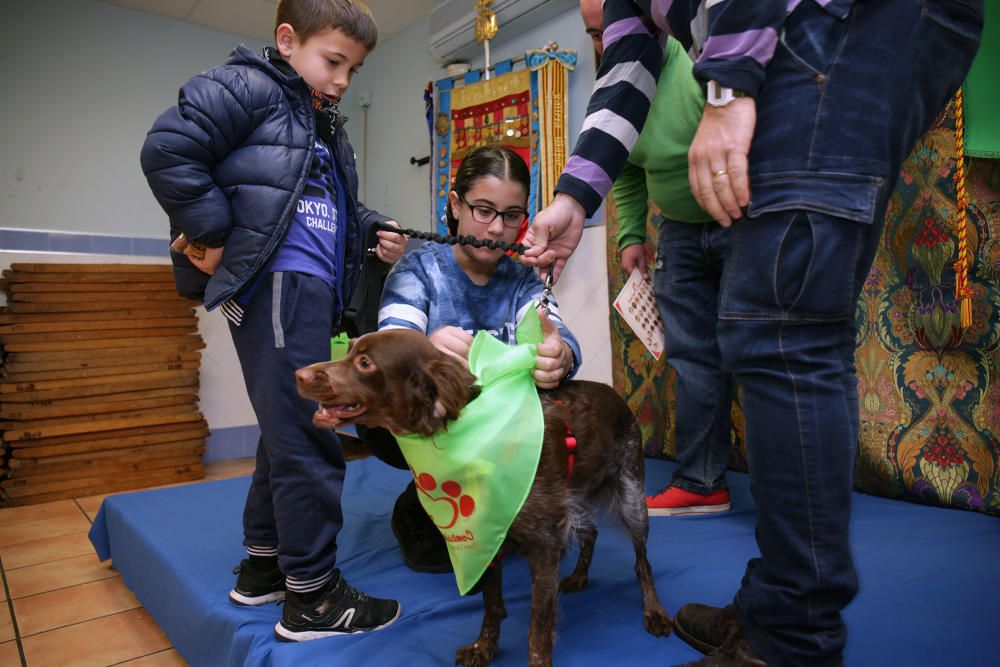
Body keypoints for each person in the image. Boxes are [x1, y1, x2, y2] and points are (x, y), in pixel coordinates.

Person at [525, 1, 983, 665]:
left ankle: (788, 639)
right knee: (763, 325)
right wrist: (574, 196)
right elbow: (627, 69)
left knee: (784, 329)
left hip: (848, 24)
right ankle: (779, 602)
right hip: (830, 34)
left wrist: (728, 87)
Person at [140, 0, 407, 642]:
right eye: (333, 61)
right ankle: (313, 598)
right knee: (312, 434)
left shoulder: (320, 121)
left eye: (354, 69)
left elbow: (324, 200)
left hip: (308, 288)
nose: (343, 80)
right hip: (279, 285)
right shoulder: (249, 85)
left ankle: (265, 568)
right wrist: (211, 230)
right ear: (288, 40)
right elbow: (167, 149)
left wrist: (371, 230)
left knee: (284, 430)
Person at [367, 145, 582, 574]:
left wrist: (561, 355)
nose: (496, 228)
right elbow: (390, 348)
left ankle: (494, 499)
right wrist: (425, 348)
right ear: (455, 205)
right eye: (483, 210)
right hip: (432, 432)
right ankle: (420, 502)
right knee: (434, 556)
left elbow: (557, 332)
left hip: (498, 438)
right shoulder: (418, 271)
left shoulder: (523, 280)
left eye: (511, 216)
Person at [581, 0, 732, 517]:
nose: (604, 43)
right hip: (679, 234)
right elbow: (622, 168)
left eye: (609, 27)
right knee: (692, 359)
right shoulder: (618, 91)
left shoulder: (698, 57)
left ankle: (795, 495)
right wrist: (629, 236)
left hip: (742, 221)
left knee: (759, 350)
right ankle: (702, 482)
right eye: (593, 33)